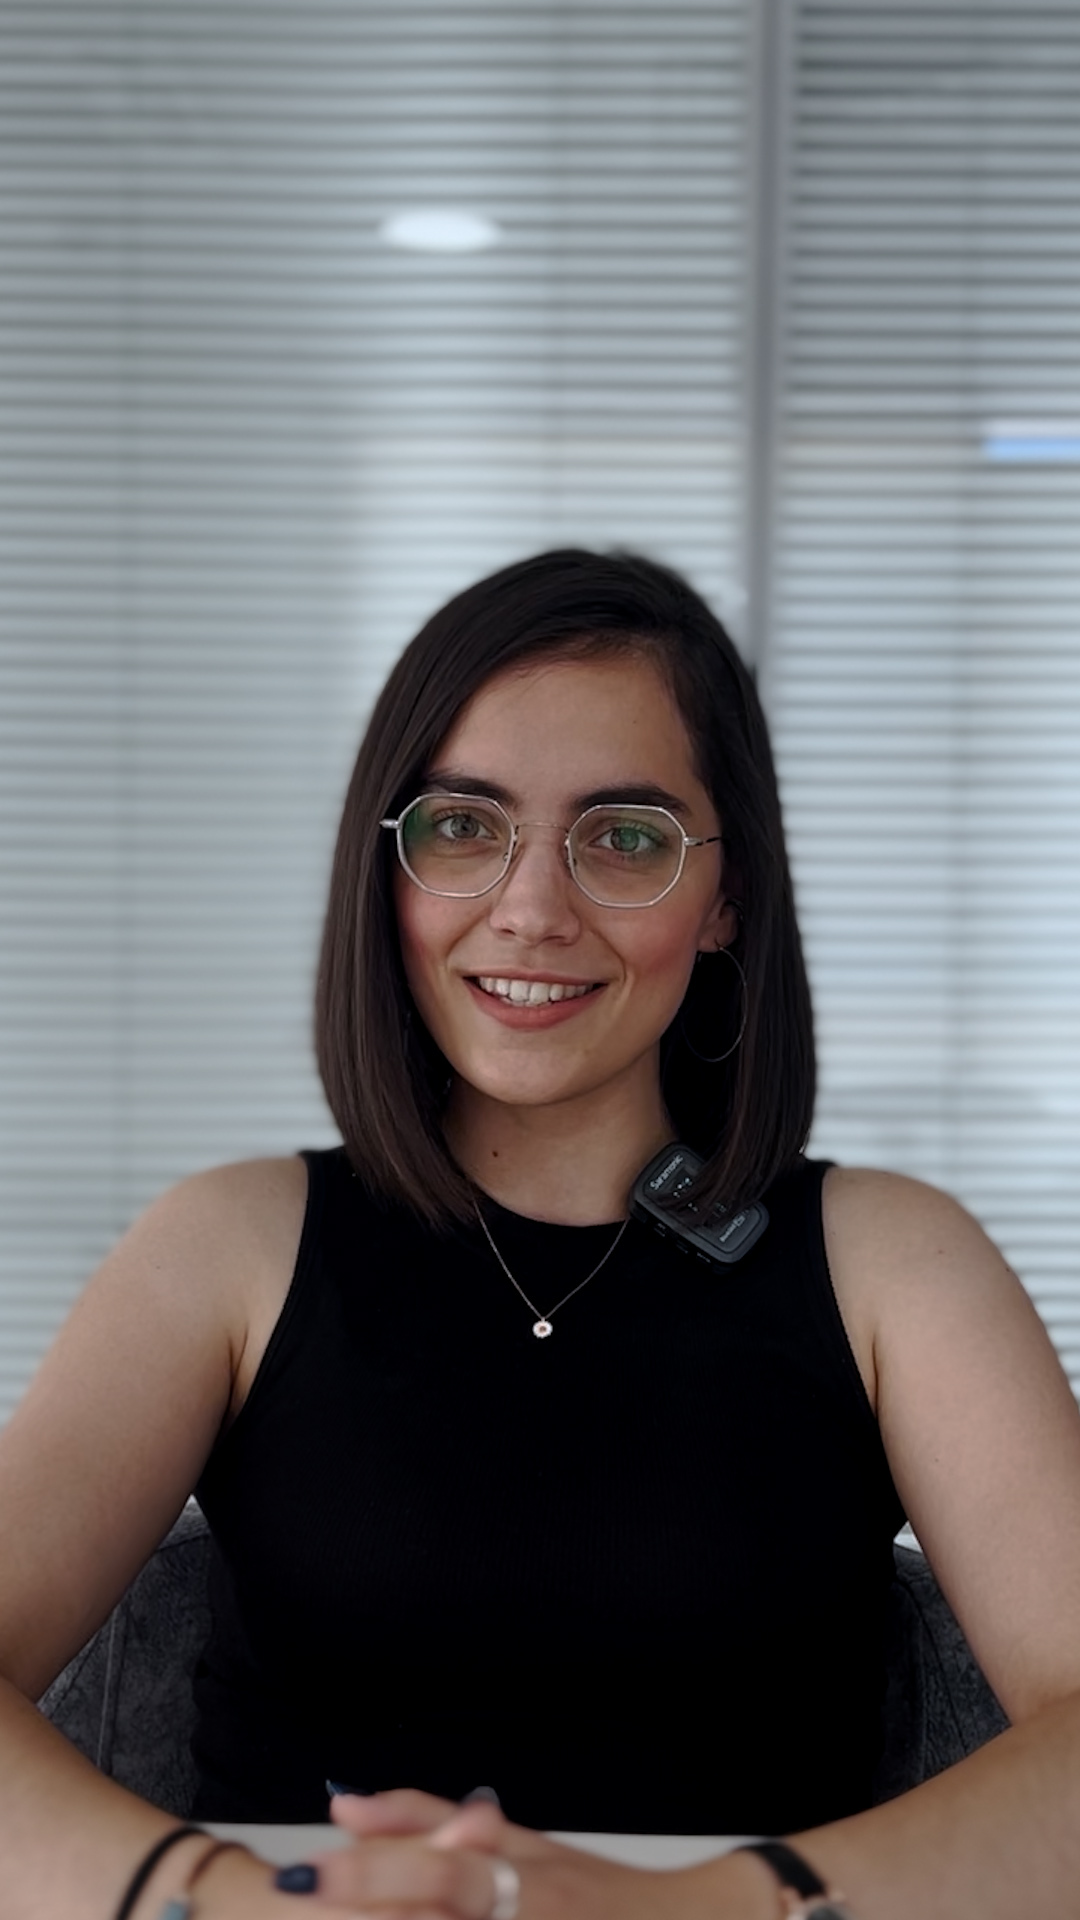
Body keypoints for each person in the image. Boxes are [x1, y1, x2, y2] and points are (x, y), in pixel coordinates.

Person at [2, 547, 1080, 1920]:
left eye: (624, 838)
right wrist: (224, 1896)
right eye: (464, 825)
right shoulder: (225, 1245)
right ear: (389, 869)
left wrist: (693, 1909)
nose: (531, 910)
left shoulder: (895, 1263)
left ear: (726, 897)